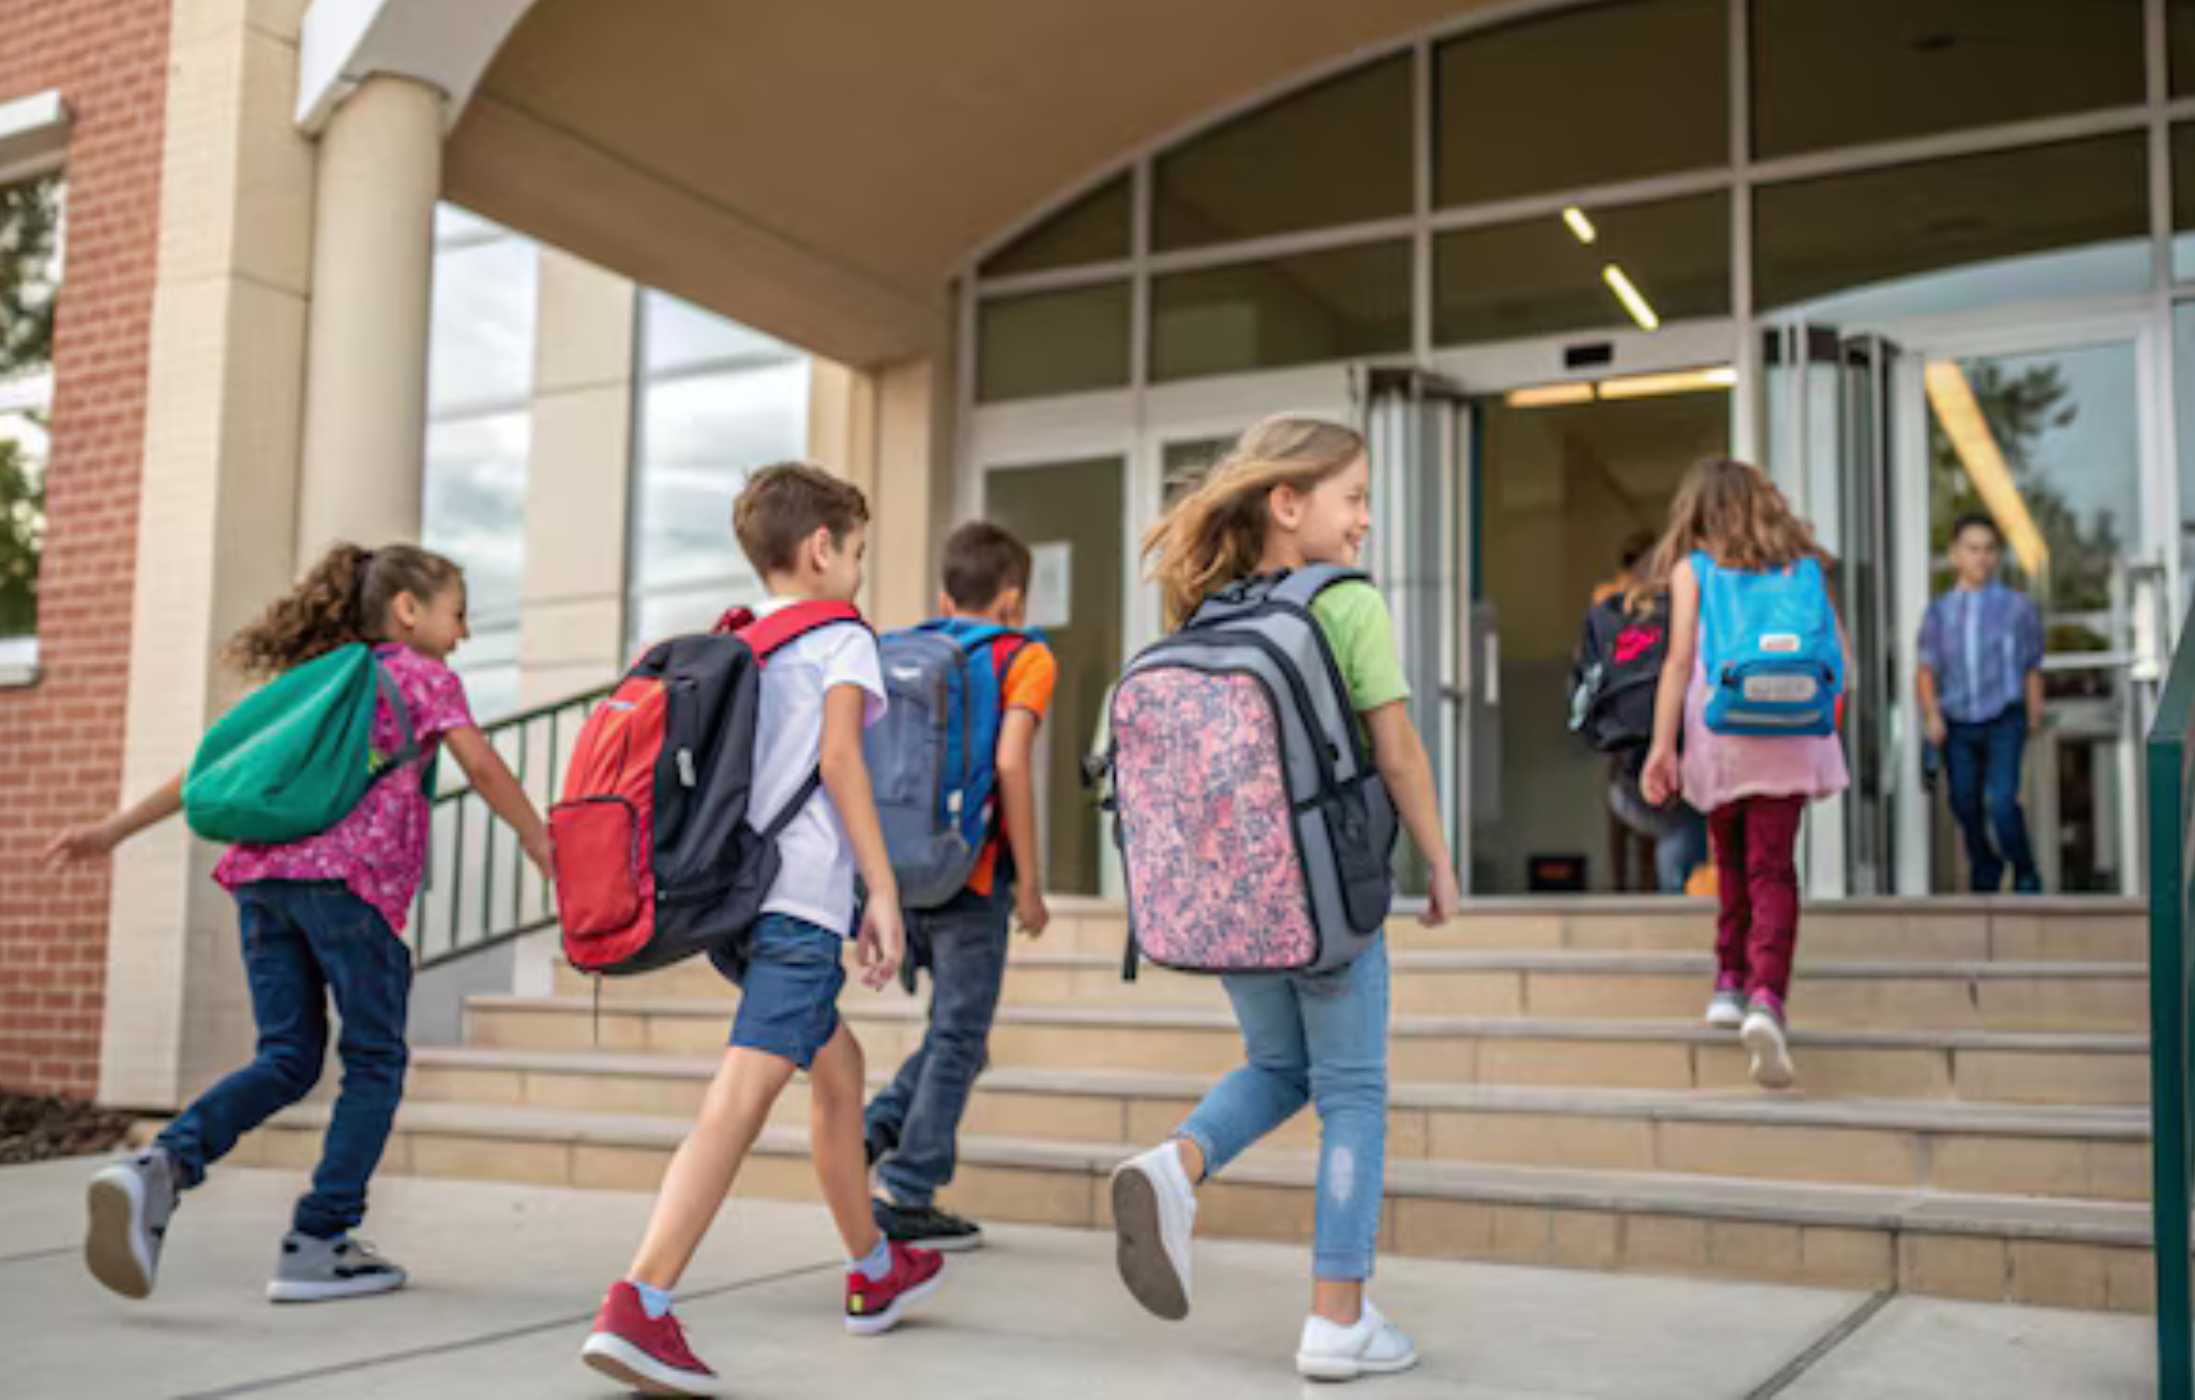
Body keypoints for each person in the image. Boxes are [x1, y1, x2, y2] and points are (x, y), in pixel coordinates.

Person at [44, 543, 549, 1303]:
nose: (465, 633)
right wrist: (539, 839)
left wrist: (112, 832)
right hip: (351, 889)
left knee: (287, 1055)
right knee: (374, 1060)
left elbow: (210, 773)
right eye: (458, 613)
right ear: (408, 611)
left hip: (262, 883)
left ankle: (161, 1164)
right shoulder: (420, 676)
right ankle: (319, 1240)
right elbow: (480, 766)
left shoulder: (314, 683)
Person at [1104, 416, 1461, 1383]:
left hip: (1233, 905)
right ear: (1288, 503)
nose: (1365, 523)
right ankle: (1337, 1319)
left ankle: (1175, 1165)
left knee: (1278, 1064)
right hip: (1330, 901)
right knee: (1349, 1093)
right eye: (1353, 499)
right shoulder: (1344, 604)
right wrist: (1436, 860)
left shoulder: (1205, 613)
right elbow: (1397, 751)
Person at [579, 463, 938, 1398]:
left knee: (841, 1069)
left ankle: (871, 1268)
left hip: (734, 907)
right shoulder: (842, 640)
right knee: (738, 1101)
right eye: (856, 551)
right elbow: (840, 759)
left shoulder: (742, 642)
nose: (858, 569)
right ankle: (641, 1302)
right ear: (823, 548)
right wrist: (883, 892)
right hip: (798, 910)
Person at [864, 521, 1057, 1252]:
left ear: (946, 594)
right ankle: (909, 1190)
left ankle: (875, 1131)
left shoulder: (910, 647)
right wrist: (1032, 884)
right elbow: (1011, 763)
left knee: (956, 1037)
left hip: (907, 872)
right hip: (974, 878)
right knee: (959, 1036)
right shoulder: (1024, 654)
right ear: (1012, 599)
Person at [1639, 459, 1849, 1089]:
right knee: (1774, 868)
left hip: (1722, 733)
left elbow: (1677, 663)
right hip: (1789, 734)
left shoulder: (1694, 570)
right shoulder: (1802, 568)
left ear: (1697, 510)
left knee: (1729, 861)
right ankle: (1767, 997)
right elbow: (1839, 657)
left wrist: (1661, 747)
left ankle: (1729, 981)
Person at [1916, 513, 2046, 894]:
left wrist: (2033, 715)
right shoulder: (1939, 612)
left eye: (1989, 550)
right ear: (1955, 554)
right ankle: (1985, 865)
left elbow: (2031, 665)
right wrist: (1932, 716)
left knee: (2002, 801)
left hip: (2005, 717)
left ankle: (2024, 870)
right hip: (1957, 721)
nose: (1981, 558)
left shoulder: (2017, 608)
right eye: (1972, 549)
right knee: (1964, 802)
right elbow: (1925, 670)